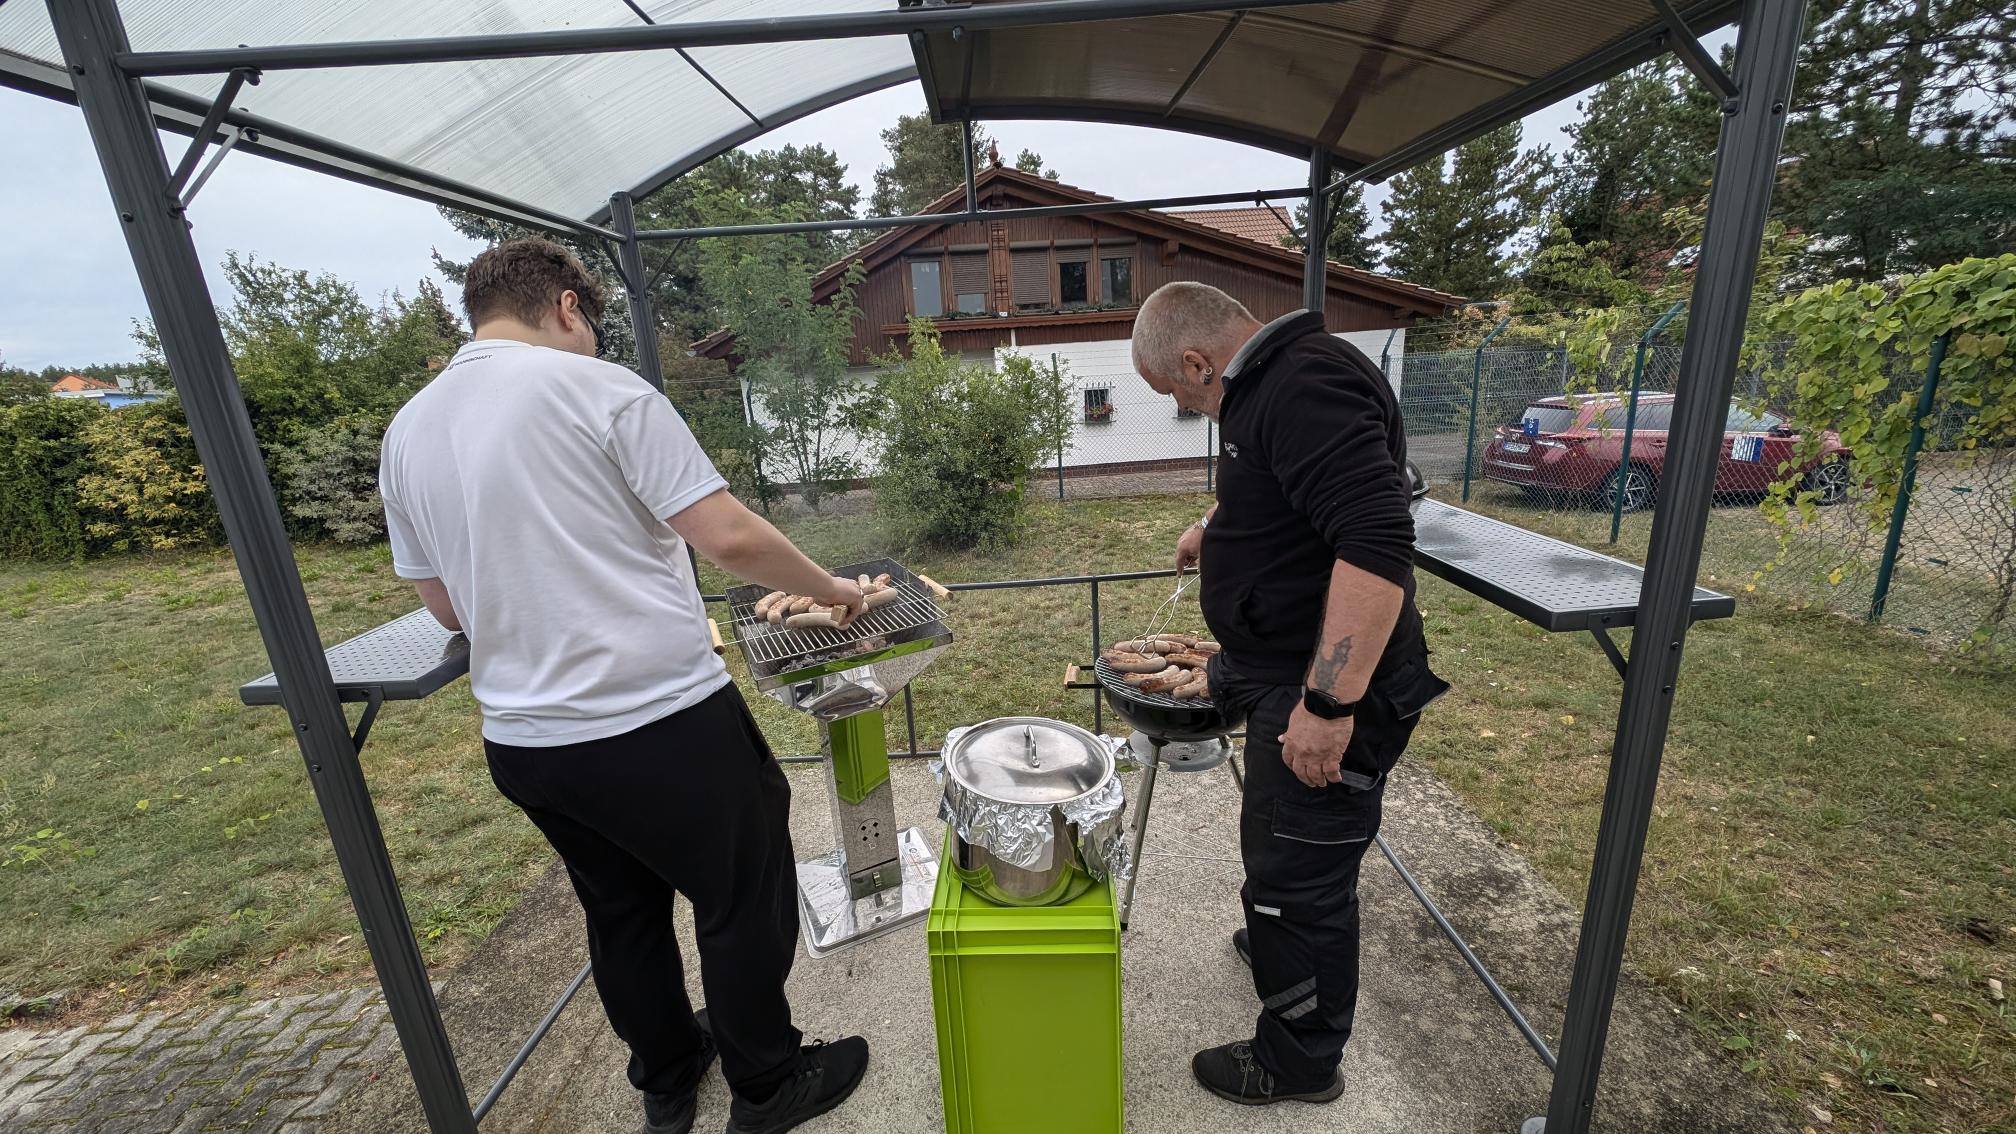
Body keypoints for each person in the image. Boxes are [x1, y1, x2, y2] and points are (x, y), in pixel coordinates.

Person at [378, 238, 870, 1134]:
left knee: (621, 912)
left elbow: (446, 608)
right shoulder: (599, 390)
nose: (595, 342)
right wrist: (834, 589)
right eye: (592, 326)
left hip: (527, 744)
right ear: (569, 306)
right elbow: (726, 537)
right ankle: (767, 1085)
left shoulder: (407, 429)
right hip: (657, 721)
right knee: (740, 896)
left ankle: (670, 1077)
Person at [1130, 282, 1449, 1106]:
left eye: (1178, 392)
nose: (1189, 406)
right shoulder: (1272, 385)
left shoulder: (1302, 384)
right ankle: (1282, 938)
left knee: (1297, 877)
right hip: (1276, 662)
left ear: (1199, 360)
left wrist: (1328, 708)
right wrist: (1220, 523)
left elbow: (1377, 540)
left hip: (1327, 687)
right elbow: (1290, 485)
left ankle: (1300, 1060)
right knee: (1285, 861)